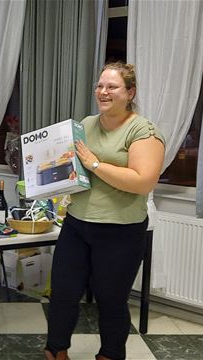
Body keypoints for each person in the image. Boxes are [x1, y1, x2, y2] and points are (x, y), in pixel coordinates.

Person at [45, 62, 165, 360]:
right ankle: (55, 350)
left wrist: (95, 164)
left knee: (111, 300)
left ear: (130, 93)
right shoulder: (86, 124)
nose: (103, 91)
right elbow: (71, 168)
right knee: (62, 293)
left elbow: (142, 182)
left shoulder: (143, 130)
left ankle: (110, 355)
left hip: (121, 230)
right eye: (100, 85)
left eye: (112, 86)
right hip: (77, 224)